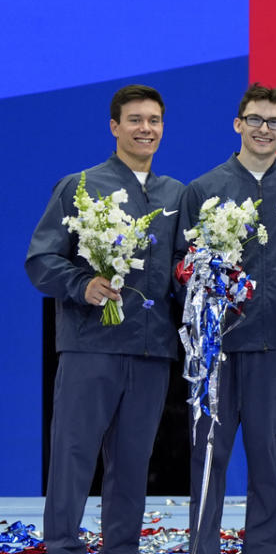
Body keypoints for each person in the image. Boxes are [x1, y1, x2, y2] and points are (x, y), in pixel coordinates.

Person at [177, 83, 276, 554]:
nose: (263, 129)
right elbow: (180, 264)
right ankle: (201, 547)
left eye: (274, 123)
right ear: (238, 124)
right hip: (217, 351)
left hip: (275, 345)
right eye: (254, 120)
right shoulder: (205, 188)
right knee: (209, 456)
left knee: (267, 459)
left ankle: (265, 547)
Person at [26, 84, 184, 554]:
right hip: (90, 344)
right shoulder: (81, 186)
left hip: (152, 349)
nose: (145, 129)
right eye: (135, 120)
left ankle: (122, 547)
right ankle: (61, 544)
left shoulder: (175, 193)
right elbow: (40, 260)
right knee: (74, 453)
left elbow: (183, 265)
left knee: (134, 460)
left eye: (154, 121)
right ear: (114, 127)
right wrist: (82, 285)